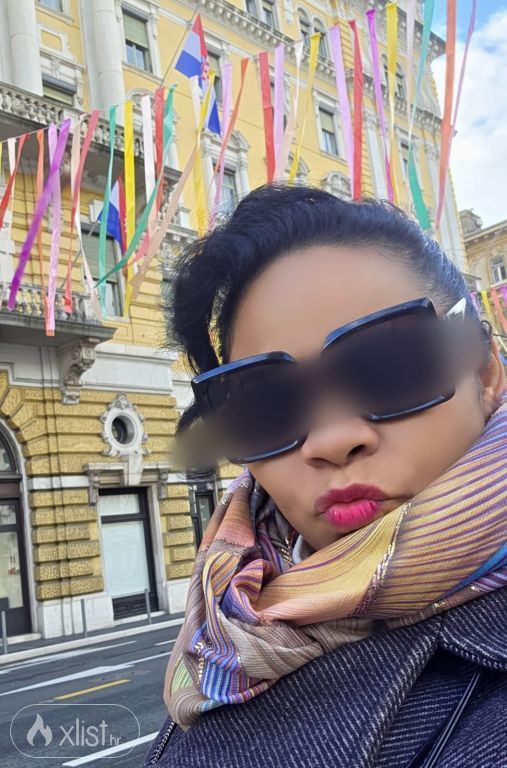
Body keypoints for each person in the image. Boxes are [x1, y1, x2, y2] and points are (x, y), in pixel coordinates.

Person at [144, 185, 506, 768]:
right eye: (266, 403)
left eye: (387, 366)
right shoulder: (227, 632)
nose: (331, 438)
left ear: (484, 374)